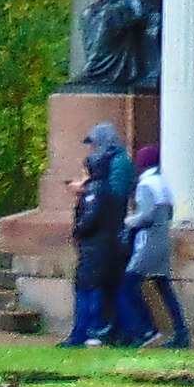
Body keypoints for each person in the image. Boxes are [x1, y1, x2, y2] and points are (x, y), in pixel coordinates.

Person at [64, 124, 133, 348]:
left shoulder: (110, 175)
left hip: (99, 243)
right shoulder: (106, 176)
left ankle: (90, 332)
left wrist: (78, 230)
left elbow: (100, 210)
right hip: (105, 241)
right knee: (105, 288)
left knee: (91, 289)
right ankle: (107, 330)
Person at [122, 141, 183, 347]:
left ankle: (145, 329)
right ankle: (181, 332)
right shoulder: (162, 182)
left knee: (128, 285)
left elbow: (146, 216)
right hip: (163, 238)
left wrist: (128, 221)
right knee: (164, 287)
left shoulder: (145, 185)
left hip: (148, 241)